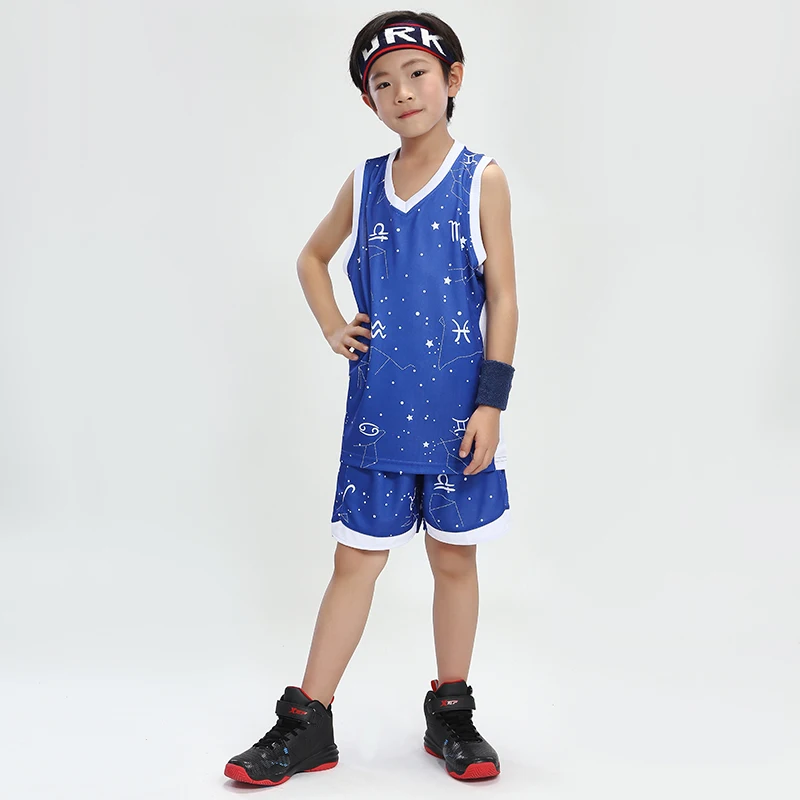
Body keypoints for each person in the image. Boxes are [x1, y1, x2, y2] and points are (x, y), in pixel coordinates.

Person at [224, 9, 518, 786]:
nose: (402, 92)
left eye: (417, 74)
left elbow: (504, 296)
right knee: (354, 560)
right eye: (382, 83)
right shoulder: (363, 183)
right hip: (379, 412)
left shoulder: (481, 179)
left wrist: (492, 403)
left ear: (452, 80)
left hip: (459, 415)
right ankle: (308, 721)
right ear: (368, 101)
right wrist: (332, 325)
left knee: (454, 559)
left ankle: (451, 710)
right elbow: (312, 257)